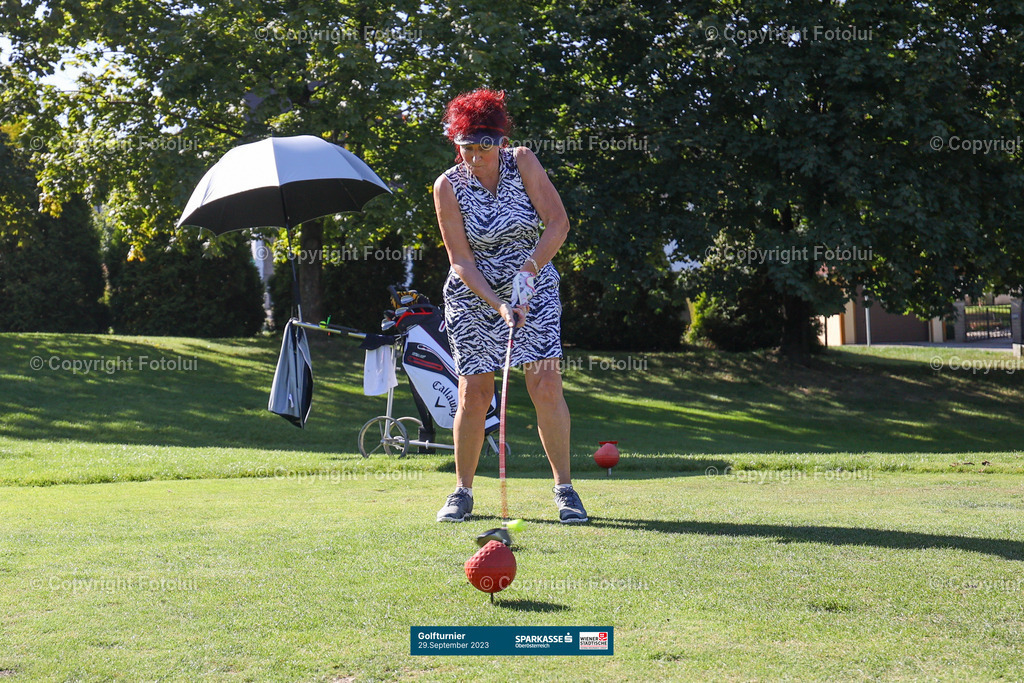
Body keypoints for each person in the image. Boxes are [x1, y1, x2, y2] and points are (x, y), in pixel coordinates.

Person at [432, 88, 587, 525]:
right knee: (475, 392)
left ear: (500, 141)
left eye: (485, 145)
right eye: (467, 147)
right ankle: (462, 491)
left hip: (533, 285)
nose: (477, 155)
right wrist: (500, 303)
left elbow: (559, 223)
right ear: (455, 144)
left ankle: (565, 490)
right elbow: (460, 261)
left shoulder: (523, 162)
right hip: (474, 297)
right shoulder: (448, 186)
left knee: (545, 386)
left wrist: (528, 273)